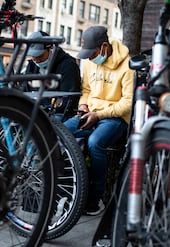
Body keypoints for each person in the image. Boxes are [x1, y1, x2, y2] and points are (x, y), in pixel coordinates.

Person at [64, 25, 134, 215]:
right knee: (61, 132)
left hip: (115, 118)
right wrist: (83, 106)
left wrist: (99, 115)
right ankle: (66, 188)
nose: (89, 57)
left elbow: (127, 103)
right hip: (90, 113)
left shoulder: (127, 65)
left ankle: (93, 201)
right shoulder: (88, 62)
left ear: (104, 47)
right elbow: (86, 90)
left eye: (92, 52)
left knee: (96, 143)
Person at [24, 31, 81, 120]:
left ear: (51, 48)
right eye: (33, 56)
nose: (36, 60)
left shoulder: (68, 65)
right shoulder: (31, 65)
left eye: (40, 55)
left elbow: (68, 99)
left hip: (58, 114)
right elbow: (24, 90)